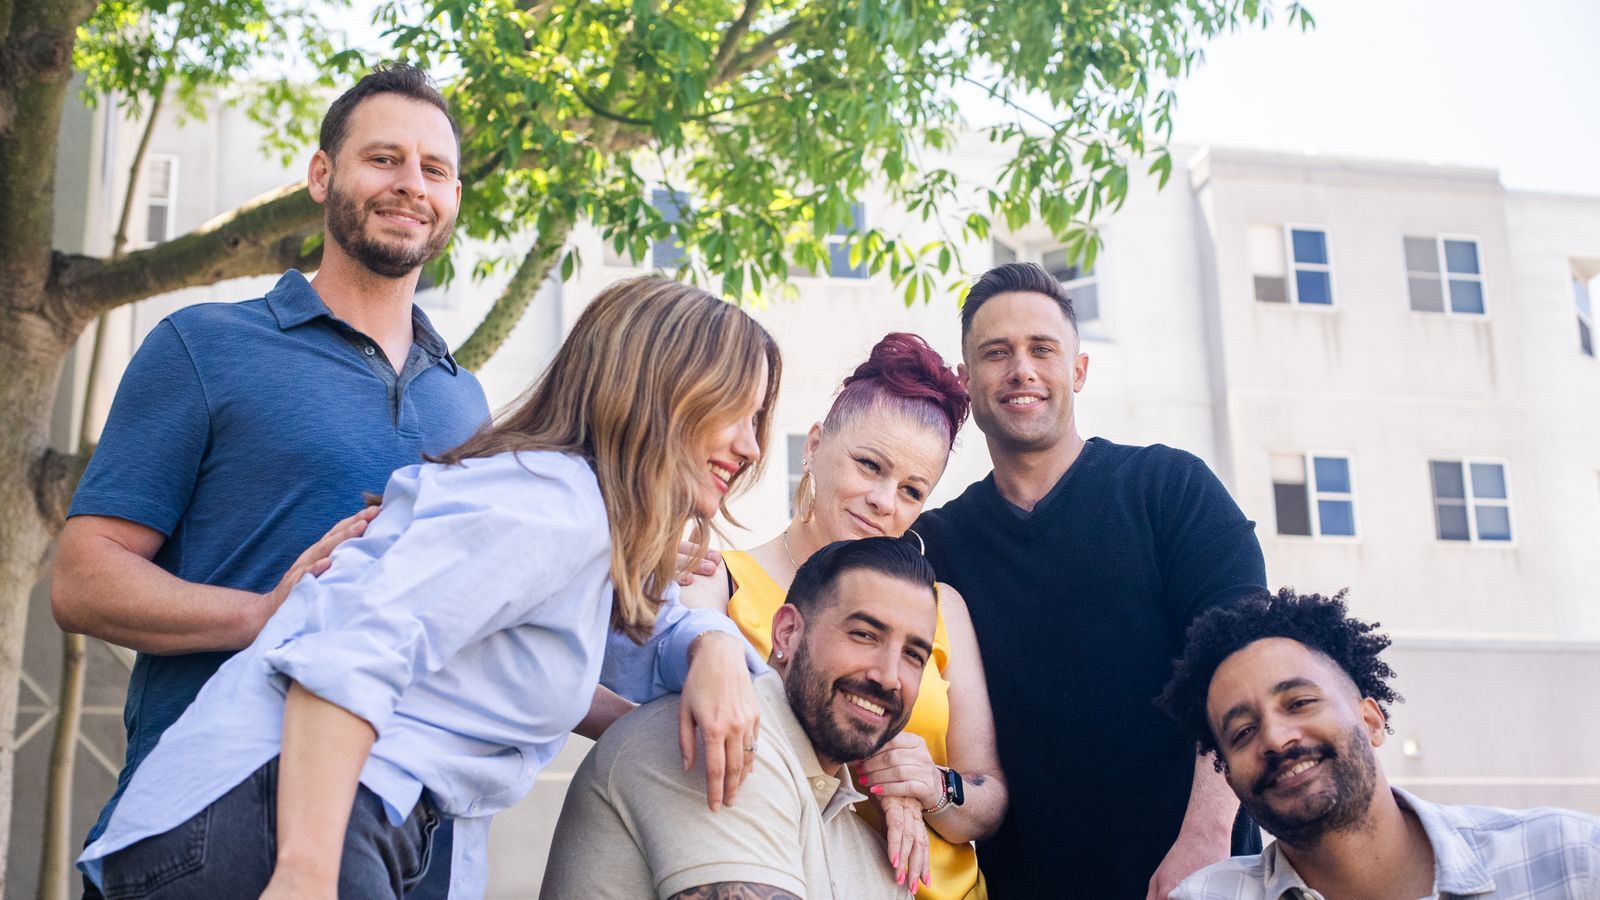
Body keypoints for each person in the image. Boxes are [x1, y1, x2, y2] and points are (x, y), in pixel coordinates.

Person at [75, 275, 782, 899]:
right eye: (736, 410)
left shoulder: (573, 519)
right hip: (275, 819)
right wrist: (305, 875)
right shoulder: (552, 507)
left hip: (299, 819)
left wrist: (712, 649)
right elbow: (350, 651)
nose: (751, 448)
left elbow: (587, 672)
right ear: (658, 391)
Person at [52, 63, 488, 895]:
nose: (410, 185)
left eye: (434, 170)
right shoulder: (204, 346)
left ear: (454, 197)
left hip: (407, 851)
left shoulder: (468, 404)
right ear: (322, 175)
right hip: (208, 832)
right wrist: (261, 615)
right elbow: (81, 579)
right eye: (384, 159)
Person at [913, 262, 1267, 898]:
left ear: (1077, 370)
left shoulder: (1170, 490)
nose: (1021, 369)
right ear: (967, 384)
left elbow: (1246, 668)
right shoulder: (935, 545)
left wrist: (1206, 840)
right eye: (997, 353)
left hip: (1194, 882)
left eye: (1042, 349)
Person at [680, 333, 1007, 898]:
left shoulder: (942, 606)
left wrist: (928, 784)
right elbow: (678, 727)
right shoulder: (718, 582)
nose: (885, 501)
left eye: (911, 490)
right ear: (813, 446)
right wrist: (870, 760)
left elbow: (988, 799)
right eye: (869, 465)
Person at [544, 537, 944, 900]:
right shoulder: (720, 741)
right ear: (787, 633)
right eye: (864, 634)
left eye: (913, 655)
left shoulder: (874, 850)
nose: (889, 676)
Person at [1158, 588, 1600, 900]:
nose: (1275, 737)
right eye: (1243, 732)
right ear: (1233, 782)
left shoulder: (1569, 858)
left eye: (1299, 702)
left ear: (1371, 720)